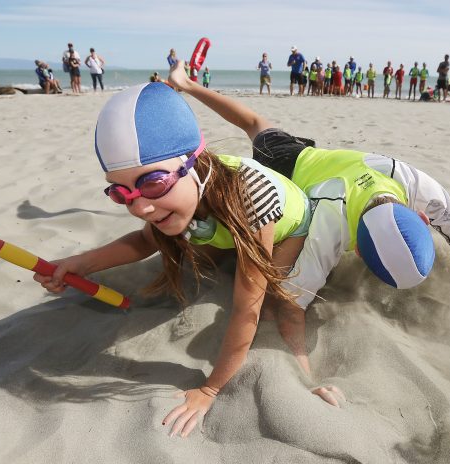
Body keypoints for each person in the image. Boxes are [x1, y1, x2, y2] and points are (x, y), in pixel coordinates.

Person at [34, 62, 318, 436]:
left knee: (273, 303)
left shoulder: (251, 198)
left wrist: (210, 388)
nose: (139, 207)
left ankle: (310, 379)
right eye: (121, 193)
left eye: (152, 182)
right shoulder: (173, 197)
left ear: (195, 163)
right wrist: (81, 264)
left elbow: (244, 309)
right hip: (220, 219)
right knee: (190, 245)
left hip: (290, 228)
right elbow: (142, 241)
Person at [245, 118, 450, 380]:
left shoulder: (421, 187)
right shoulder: (327, 226)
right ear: (357, 252)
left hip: (329, 167)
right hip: (282, 165)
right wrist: (308, 381)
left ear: (423, 217)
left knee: (257, 124)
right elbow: (289, 310)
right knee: (257, 127)